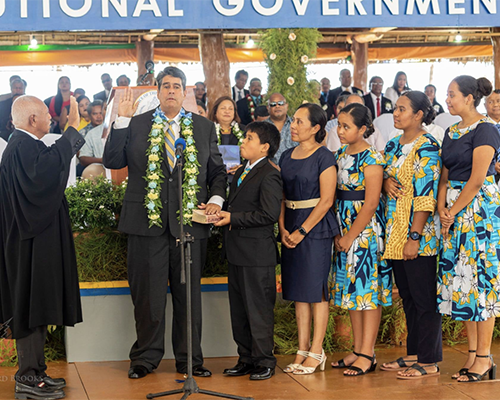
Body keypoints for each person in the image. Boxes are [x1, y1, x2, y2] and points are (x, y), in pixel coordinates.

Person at [103, 66, 226, 379]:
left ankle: (190, 361)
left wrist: (215, 200)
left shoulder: (202, 126)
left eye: (177, 86)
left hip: (189, 227)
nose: (171, 90)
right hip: (146, 226)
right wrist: (122, 120)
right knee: (149, 299)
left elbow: (216, 173)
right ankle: (144, 359)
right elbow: (113, 161)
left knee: (189, 300)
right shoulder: (137, 123)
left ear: (185, 92)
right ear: (157, 91)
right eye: (166, 86)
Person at [0, 95, 84, 400]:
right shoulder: (21, 146)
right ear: (32, 119)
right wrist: (72, 129)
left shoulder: (24, 146)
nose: (50, 120)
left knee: (37, 306)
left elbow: (50, 167)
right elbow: (45, 175)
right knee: (29, 307)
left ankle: (36, 371)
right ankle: (27, 378)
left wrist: (68, 136)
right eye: (46, 116)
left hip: (34, 241)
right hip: (28, 245)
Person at [437, 76, 500, 382]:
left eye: (452, 95)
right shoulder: (451, 131)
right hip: (452, 209)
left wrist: (453, 210)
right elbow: (444, 175)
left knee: (479, 282)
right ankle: (474, 354)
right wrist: (441, 209)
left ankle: (486, 357)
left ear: (469, 98)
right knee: (462, 284)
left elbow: (477, 180)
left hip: (477, 211)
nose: (447, 100)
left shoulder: (486, 128)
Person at [380, 91, 442, 379]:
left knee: (424, 298)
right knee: (407, 296)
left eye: (402, 109)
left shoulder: (427, 146)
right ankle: (414, 353)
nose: (396, 113)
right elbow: (383, 173)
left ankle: (429, 361)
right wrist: (385, 181)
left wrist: (414, 237)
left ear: (419, 115)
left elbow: (426, 194)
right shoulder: (393, 144)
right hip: (394, 231)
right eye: (395, 108)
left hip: (418, 234)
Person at [216, 121, 282, 381]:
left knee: (258, 311)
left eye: (250, 138)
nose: (243, 141)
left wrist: (232, 218)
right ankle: (245, 358)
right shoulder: (242, 169)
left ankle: (265, 360)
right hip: (237, 252)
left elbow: (269, 214)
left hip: (257, 254)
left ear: (265, 147)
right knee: (240, 310)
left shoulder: (270, 173)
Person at [279, 103, 339, 375]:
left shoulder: (324, 157)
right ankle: (302, 349)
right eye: (294, 121)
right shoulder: (287, 156)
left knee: (316, 291)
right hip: (289, 225)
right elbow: (281, 196)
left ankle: (317, 350)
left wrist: (301, 231)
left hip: (314, 228)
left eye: (300, 122)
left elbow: (326, 200)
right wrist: (283, 229)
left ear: (316, 128)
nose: (293, 125)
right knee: (298, 291)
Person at [331, 103, 390, 376]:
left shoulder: (372, 158)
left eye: (346, 126)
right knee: (353, 293)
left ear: (363, 129)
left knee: (368, 292)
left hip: (363, 231)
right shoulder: (341, 153)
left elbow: (371, 203)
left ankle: (368, 352)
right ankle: (357, 349)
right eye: (339, 125)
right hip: (343, 228)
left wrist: (350, 235)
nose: (340, 131)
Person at [208, 96, 244, 180]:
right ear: (215, 112)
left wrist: (242, 167)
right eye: (223, 108)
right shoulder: (208, 131)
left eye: (231, 109)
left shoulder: (244, 131)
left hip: (238, 177)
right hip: (214, 176)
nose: (227, 111)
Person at [265, 93, 295, 164]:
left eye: (280, 103)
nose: (277, 106)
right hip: (269, 172)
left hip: (295, 170)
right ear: (268, 108)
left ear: (286, 106)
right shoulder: (262, 128)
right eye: (273, 104)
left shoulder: (296, 126)